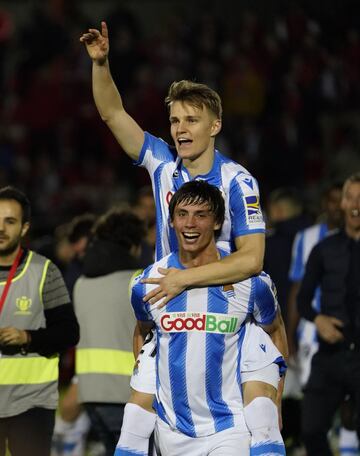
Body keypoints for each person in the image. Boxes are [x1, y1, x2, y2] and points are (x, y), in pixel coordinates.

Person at [80, 22, 287, 456]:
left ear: (215, 125)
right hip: (172, 308)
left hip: (225, 314)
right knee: (144, 425)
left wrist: (184, 279)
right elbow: (113, 115)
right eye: (175, 120)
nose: (180, 129)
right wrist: (101, 65)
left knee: (258, 422)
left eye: (192, 119)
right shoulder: (161, 164)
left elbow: (252, 260)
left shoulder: (237, 181)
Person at [131, 181, 287, 455]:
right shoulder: (148, 283)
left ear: (217, 222)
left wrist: (275, 399)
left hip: (230, 426)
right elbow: (142, 335)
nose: (190, 224)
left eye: (201, 215)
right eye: (182, 214)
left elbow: (275, 331)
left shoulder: (251, 284)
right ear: (171, 221)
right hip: (172, 430)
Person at [0, 186, 80, 456]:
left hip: (31, 406)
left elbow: (69, 333)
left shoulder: (44, 271)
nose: (1, 228)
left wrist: (28, 337)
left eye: (9, 221)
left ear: (24, 228)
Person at [297, 172, 360, 455]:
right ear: (342, 204)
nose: (356, 204)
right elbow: (302, 300)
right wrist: (318, 319)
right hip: (330, 353)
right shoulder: (323, 250)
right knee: (310, 429)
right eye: (350, 197)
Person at [74, 209, 145, 456]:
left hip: (90, 393)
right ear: (134, 245)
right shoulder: (138, 281)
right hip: (126, 394)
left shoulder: (81, 283)